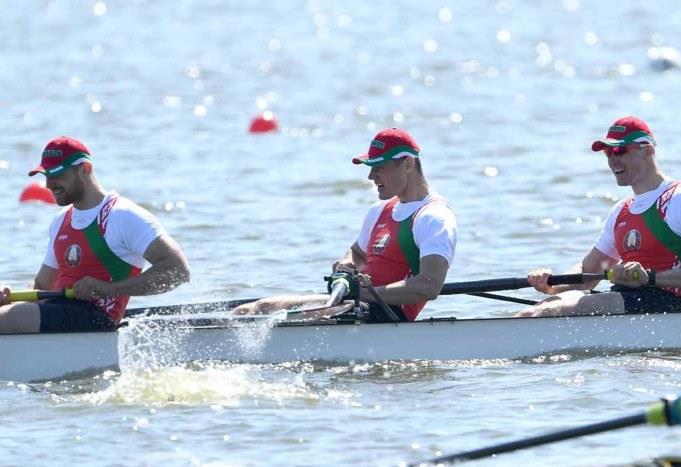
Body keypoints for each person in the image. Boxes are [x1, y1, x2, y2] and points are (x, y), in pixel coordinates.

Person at [233, 128, 457, 322]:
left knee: (268, 312)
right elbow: (358, 253)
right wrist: (347, 264)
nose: (371, 176)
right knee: (254, 309)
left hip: (388, 313)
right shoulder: (379, 211)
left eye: (378, 167)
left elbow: (429, 286)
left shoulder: (433, 217)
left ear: (407, 164)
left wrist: (362, 293)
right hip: (357, 305)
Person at [516, 116, 681, 317]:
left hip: (662, 302)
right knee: (541, 308)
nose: (613, 160)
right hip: (624, 298)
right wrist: (551, 283)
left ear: (647, 150)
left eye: (619, 150)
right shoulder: (621, 210)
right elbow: (587, 273)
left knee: (550, 311)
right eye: (608, 153)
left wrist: (650, 278)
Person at [0, 137, 190, 334]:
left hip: (97, 317)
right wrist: (9, 298)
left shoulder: (122, 216)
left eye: (58, 175)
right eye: (46, 175)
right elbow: (41, 286)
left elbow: (178, 271)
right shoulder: (60, 221)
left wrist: (108, 289)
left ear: (85, 169)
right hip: (58, 309)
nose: (49, 184)